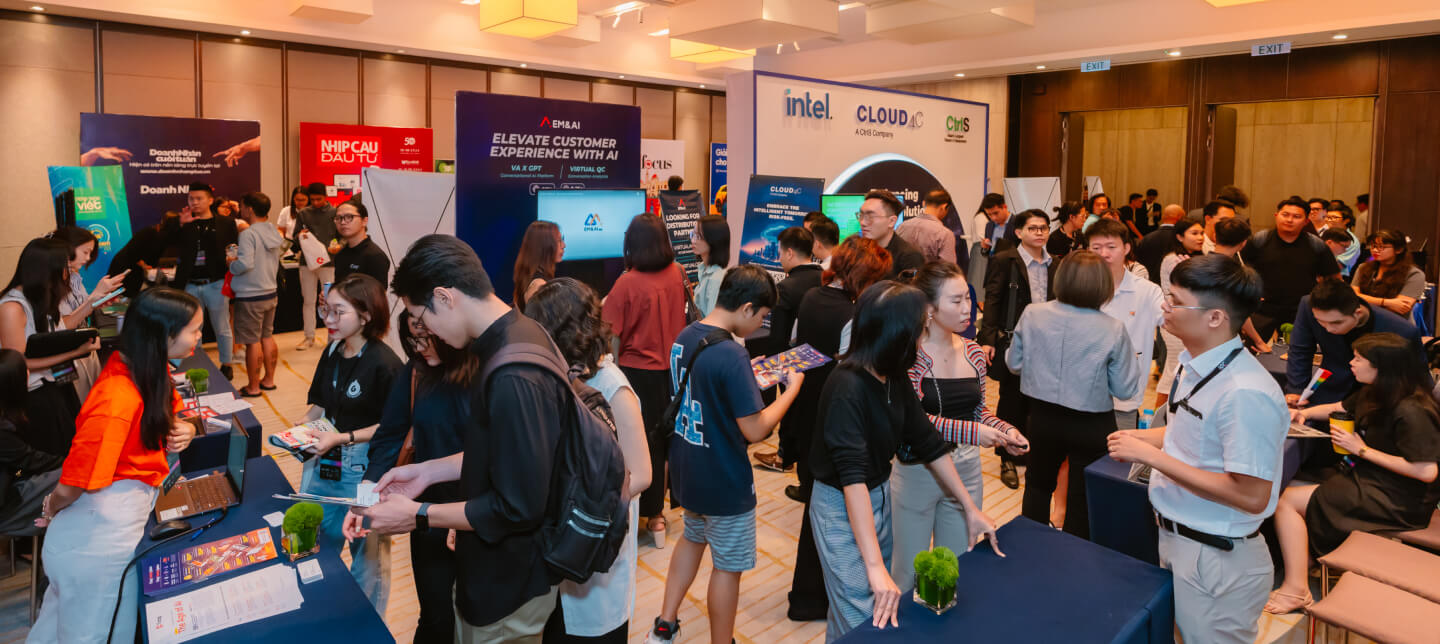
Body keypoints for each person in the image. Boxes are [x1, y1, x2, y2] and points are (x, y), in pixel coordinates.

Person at [1107, 253, 1288, 644]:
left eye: (1175, 301)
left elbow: (1251, 495)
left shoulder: (1245, 392)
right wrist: (1139, 440)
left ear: (1215, 318)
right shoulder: (1197, 364)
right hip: (1180, 539)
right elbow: (1187, 435)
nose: (1164, 308)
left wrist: (1154, 458)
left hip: (1217, 557)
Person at [808, 281, 1002, 641]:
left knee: (854, 613)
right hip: (842, 507)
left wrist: (969, 507)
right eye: (918, 330)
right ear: (897, 336)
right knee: (865, 616)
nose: (921, 338)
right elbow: (852, 481)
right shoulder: (846, 387)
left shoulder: (893, 376)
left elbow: (927, 441)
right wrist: (875, 567)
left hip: (877, 497)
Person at [27, 287, 200, 644]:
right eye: (195, 329)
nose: (200, 336)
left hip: (108, 527)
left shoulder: (143, 370)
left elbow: (164, 417)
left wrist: (185, 427)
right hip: (95, 543)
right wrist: (53, 505)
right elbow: (74, 481)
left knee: (58, 628)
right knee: (96, 634)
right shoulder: (116, 397)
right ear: (164, 335)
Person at [646, 265, 804, 644]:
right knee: (728, 568)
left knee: (692, 539)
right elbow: (755, 429)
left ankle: (664, 625)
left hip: (688, 467)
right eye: (763, 317)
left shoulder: (687, 335)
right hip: (725, 478)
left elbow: (703, 388)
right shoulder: (731, 354)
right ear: (747, 308)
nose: (762, 324)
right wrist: (792, 389)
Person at [524, 279, 652, 643]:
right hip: (561, 543)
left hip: (593, 539)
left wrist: (577, 496)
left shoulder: (614, 388)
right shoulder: (563, 378)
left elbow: (641, 473)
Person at [1274, 332, 1440, 614]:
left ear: (1380, 367)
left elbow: (1426, 472)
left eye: (1358, 359)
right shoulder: (1378, 392)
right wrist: (1305, 413)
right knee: (1301, 489)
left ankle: (1296, 588)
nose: (1351, 363)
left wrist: (1361, 449)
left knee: (1284, 502)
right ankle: (1307, 561)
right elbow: (1341, 407)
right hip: (1372, 478)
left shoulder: (1412, 409)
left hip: (1399, 496)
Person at [891, 262, 1026, 593]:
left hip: (965, 467)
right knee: (908, 571)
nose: (968, 309)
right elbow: (914, 423)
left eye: (968, 298)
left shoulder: (974, 353)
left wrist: (1005, 430)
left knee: (956, 564)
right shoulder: (909, 355)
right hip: (917, 470)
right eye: (956, 301)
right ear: (929, 307)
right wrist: (975, 433)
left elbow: (978, 412)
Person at [782, 236, 891, 622]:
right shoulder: (855, 315)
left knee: (815, 513)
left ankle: (806, 596)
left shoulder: (812, 297)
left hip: (806, 412)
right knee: (835, 521)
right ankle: (821, 598)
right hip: (837, 423)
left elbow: (796, 346)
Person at [354, 310, 474, 643]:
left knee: (476, 620)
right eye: (412, 340)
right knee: (436, 617)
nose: (419, 347)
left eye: (426, 337)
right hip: (424, 514)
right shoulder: (416, 372)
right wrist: (365, 496)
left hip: (479, 513)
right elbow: (390, 435)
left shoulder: (486, 373)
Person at [1007, 251, 1138, 536]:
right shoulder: (1113, 328)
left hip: (1042, 416)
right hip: (1091, 422)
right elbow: (1126, 389)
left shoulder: (1033, 314)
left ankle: (1029, 547)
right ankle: (1073, 560)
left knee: (1038, 485)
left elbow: (1013, 364)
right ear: (1103, 286)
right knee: (1083, 494)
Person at [300, 274, 401, 613]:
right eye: (325, 311)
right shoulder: (331, 351)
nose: (327, 320)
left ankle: (366, 625)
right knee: (319, 538)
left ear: (366, 315)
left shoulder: (385, 363)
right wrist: (299, 431)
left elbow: (393, 428)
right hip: (326, 459)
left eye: (337, 312)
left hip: (365, 465)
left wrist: (343, 437)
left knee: (367, 555)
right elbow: (319, 405)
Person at [604, 214, 688, 548]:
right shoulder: (678, 273)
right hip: (675, 371)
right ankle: (658, 517)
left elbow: (610, 332)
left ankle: (641, 515)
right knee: (667, 443)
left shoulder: (627, 282)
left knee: (640, 445)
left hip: (639, 374)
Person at [978, 208, 1057, 489]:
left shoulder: (1055, 263)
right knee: (1011, 399)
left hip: (1047, 342)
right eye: (1033, 228)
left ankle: (1031, 449)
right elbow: (993, 299)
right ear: (1019, 232)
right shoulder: (1004, 260)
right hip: (1015, 341)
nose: (1039, 233)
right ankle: (1006, 456)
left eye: (1044, 228)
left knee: (1042, 399)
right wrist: (987, 339)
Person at [0, 238, 97, 457]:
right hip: (34, 394)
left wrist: (93, 303)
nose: (68, 274)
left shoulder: (40, 299)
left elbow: (60, 328)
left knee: (74, 446)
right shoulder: (12, 308)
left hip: (57, 381)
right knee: (57, 453)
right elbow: (18, 363)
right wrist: (75, 352)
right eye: (64, 267)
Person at [1287, 278, 1424, 408]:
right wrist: (1296, 389)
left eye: (1336, 322)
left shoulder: (1401, 330)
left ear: (1357, 313)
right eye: (1320, 322)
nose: (1329, 329)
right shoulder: (1308, 306)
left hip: (1378, 401)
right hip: (1329, 391)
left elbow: (1418, 377)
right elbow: (1300, 351)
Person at [754, 227, 822, 471]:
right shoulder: (825, 278)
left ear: (790, 253)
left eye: (780, 253)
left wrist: (769, 368)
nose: (779, 258)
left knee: (790, 409)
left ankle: (784, 457)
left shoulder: (787, 287)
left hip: (792, 362)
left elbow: (778, 337)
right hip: (820, 360)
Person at [1088, 220, 1165, 429]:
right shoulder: (1080, 288)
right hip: (1082, 396)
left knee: (1121, 454)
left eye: (1111, 247)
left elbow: (1170, 319)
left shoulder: (1147, 291)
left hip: (1125, 397)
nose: (1104, 254)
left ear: (1126, 248)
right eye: (1096, 248)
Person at [1240, 197, 1341, 340]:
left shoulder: (1316, 245)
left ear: (1306, 221)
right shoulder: (1259, 240)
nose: (1289, 220)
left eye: (1296, 217)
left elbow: (1334, 278)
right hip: (1262, 310)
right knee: (1256, 352)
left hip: (1302, 311)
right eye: (1285, 215)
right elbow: (1240, 269)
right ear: (1276, 216)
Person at [171, 182, 239, 377]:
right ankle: (197, 364)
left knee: (222, 326)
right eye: (191, 198)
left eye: (199, 198)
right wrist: (181, 225)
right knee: (192, 329)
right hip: (190, 284)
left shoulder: (225, 223)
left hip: (216, 282)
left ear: (210, 200)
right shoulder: (184, 222)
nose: (194, 202)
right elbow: (170, 244)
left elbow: (233, 247)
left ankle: (227, 365)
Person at [53, 226, 126, 401]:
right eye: (85, 252)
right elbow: (62, 326)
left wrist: (100, 301)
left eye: (90, 253)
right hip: (68, 354)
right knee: (77, 404)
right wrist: (94, 299)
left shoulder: (75, 276)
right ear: (67, 248)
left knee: (92, 400)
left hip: (86, 348)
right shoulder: (52, 282)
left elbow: (83, 307)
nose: (87, 258)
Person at [0, 348, 63, 536]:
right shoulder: (3, 431)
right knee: (70, 478)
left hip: (12, 483)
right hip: (7, 506)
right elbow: (30, 460)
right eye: (24, 369)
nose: (29, 372)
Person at [229, 192, 285, 398]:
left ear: (250, 209)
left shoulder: (248, 234)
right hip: (270, 292)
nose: (240, 210)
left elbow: (245, 264)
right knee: (267, 336)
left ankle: (253, 387)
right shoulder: (273, 230)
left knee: (252, 341)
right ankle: (268, 381)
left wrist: (231, 264)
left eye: (242, 207)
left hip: (250, 294)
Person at [1154, 214, 1207, 411]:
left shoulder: (1195, 258)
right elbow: (1192, 290)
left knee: (1184, 370)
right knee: (1173, 370)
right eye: (1194, 233)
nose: (1200, 237)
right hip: (1176, 320)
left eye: (1202, 233)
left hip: (1191, 320)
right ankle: (1156, 417)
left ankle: (1175, 413)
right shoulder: (1173, 259)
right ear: (1179, 237)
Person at [293, 182, 339, 350]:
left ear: (325, 197)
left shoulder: (335, 212)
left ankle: (332, 337)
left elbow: (342, 235)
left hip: (329, 263)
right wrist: (300, 235)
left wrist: (338, 245)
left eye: (319, 199)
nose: (316, 202)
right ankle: (309, 336)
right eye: (312, 200)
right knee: (308, 300)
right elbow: (295, 237)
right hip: (307, 263)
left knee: (329, 300)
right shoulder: (304, 213)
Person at [1353, 229, 1426, 318]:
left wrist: (1363, 301)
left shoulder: (1414, 274)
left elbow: (1401, 307)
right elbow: (1353, 296)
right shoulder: (1363, 267)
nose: (1375, 250)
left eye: (1381, 247)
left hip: (1394, 323)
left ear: (1399, 250)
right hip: (1362, 320)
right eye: (1373, 246)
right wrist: (1386, 302)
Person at [108, 210, 179, 297]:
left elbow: (154, 260)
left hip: (136, 271)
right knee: (120, 295)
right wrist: (144, 265)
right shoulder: (149, 232)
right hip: (124, 267)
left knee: (132, 295)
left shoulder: (164, 239)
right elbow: (132, 252)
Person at [860, 189, 924, 279]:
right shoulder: (860, 250)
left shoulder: (909, 257)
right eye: (861, 215)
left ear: (892, 221)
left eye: (870, 216)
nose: (863, 222)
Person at [331, 200, 390, 288]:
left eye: (349, 217)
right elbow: (340, 286)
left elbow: (378, 297)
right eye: (338, 218)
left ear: (364, 221)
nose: (342, 222)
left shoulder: (375, 256)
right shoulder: (340, 255)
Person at [512, 220, 565, 313]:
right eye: (559, 241)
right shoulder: (538, 285)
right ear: (545, 246)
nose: (564, 245)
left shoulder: (534, 276)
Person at [895, 191, 956, 264]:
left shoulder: (902, 226)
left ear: (923, 203)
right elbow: (948, 269)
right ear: (944, 207)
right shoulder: (945, 234)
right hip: (930, 275)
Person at [968, 193, 1010, 301]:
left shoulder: (1016, 223)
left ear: (1004, 207)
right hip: (993, 272)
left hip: (1010, 272)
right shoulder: (989, 225)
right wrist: (985, 247)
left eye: (996, 213)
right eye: (990, 214)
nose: (993, 217)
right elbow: (986, 253)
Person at [690, 214, 731, 317]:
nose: (693, 241)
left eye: (698, 237)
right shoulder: (704, 269)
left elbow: (712, 325)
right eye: (693, 234)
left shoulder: (716, 279)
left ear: (713, 240)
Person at [1136, 204, 1183, 283]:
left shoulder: (1146, 238)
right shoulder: (1180, 239)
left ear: (1163, 217)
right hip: (1172, 285)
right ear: (1179, 218)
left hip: (1147, 284)